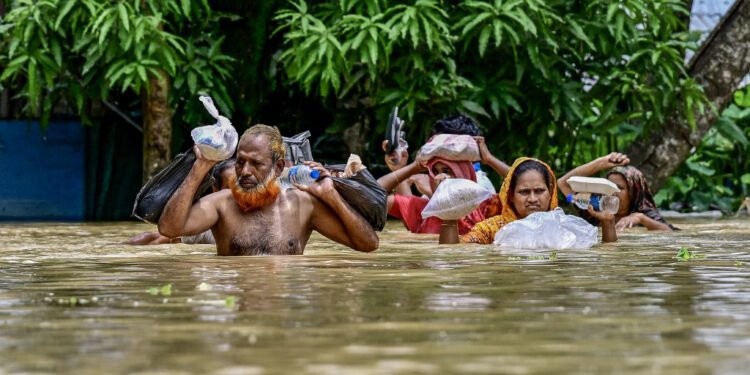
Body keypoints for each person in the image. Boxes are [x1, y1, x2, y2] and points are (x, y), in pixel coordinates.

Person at [158, 124, 379, 255]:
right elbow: (169, 229)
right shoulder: (222, 204)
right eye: (240, 162)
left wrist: (331, 195)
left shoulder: (302, 205)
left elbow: (368, 245)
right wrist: (200, 168)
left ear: (278, 167)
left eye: (256, 164)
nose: (244, 171)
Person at [440, 157, 617, 244]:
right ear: (510, 196)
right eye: (524, 192)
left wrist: (608, 224)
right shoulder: (491, 229)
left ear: (551, 193)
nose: (532, 199)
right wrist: (449, 220)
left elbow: (607, 256)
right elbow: (455, 256)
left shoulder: (564, 226)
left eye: (539, 191)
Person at [377, 134, 509, 235]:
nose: (440, 177)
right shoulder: (422, 209)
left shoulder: (485, 207)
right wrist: (414, 167)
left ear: (464, 173)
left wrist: (489, 159)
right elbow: (372, 195)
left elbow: (524, 185)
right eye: (434, 171)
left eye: (447, 171)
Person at [382, 114, 510, 197]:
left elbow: (525, 181)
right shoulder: (436, 179)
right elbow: (415, 218)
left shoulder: (480, 185)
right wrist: (400, 170)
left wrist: (489, 159)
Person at [125, 159, 237, 245]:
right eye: (231, 189)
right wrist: (116, 248)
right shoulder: (208, 225)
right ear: (216, 190)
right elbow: (160, 237)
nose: (239, 194)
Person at [558, 153, 676, 231]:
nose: (613, 192)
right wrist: (600, 163)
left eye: (619, 187)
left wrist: (641, 218)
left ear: (634, 193)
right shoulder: (595, 211)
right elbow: (563, 183)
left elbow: (669, 232)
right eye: (609, 186)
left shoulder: (644, 215)